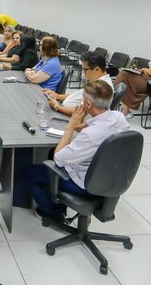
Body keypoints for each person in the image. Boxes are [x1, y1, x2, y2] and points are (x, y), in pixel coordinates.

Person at [22, 81, 130, 222]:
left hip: (87, 185)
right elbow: (96, 131)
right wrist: (80, 122)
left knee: (30, 172)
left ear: (89, 104)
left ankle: (53, 213)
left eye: (82, 99)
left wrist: (71, 126)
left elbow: (58, 159)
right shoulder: (118, 117)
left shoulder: (90, 136)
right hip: (111, 179)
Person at [44, 51, 113, 117]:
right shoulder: (98, 81)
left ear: (97, 69)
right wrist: (58, 96)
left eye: (85, 69)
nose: (83, 72)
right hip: (65, 111)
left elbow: (80, 113)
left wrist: (57, 106)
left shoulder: (101, 88)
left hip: (70, 117)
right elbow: (78, 96)